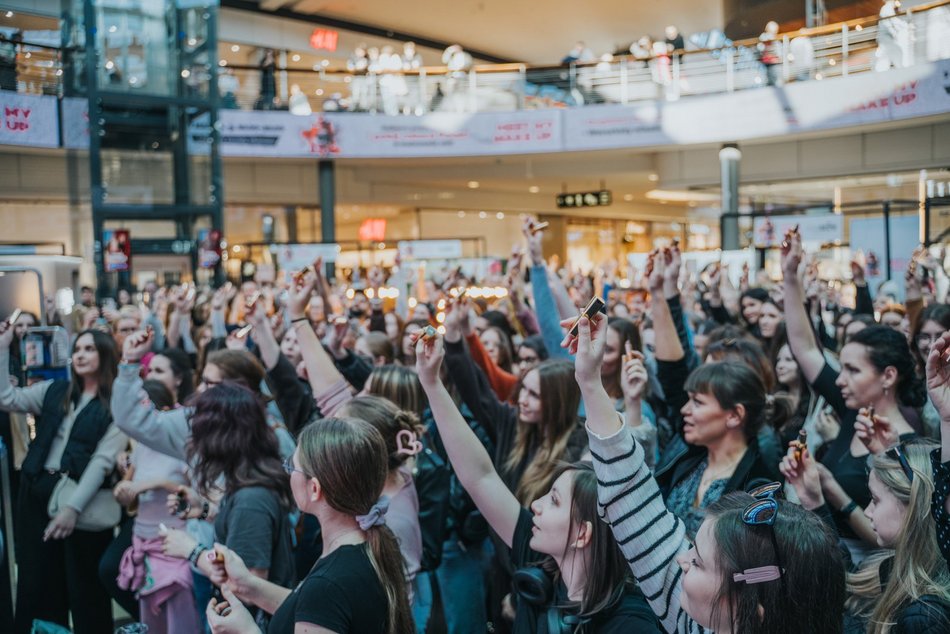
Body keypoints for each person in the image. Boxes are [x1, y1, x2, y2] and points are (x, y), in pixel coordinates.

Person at [573, 311, 847, 633]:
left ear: (748, 613)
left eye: (699, 560)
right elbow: (636, 503)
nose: (681, 560)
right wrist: (590, 383)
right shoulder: (706, 617)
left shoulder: (759, 483)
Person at [415, 331, 661, 632]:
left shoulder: (631, 624)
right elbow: (480, 476)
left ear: (582, 533)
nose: (535, 505)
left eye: (554, 499)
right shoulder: (541, 562)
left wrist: (595, 384)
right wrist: (431, 382)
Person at [782, 230, 927, 562]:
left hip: (869, 575)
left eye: (853, 370)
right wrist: (791, 277)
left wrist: (830, 489)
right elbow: (805, 348)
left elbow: (895, 541)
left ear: (888, 375)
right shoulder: (855, 413)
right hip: (829, 558)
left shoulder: (908, 444)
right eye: (841, 369)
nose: (841, 379)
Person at [203, 417, 413, 634]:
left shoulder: (328, 583)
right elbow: (315, 609)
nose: (289, 472)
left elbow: (321, 600)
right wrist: (247, 584)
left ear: (314, 489)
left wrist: (246, 631)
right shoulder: (374, 540)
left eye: (293, 466)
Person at [0, 325, 125, 634]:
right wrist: (3, 348)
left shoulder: (117, 405)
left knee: (86, 589)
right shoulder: (56, 390)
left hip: (83, 500)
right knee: (37, 581)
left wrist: (73, 509)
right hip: (37, 490)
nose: (80, 355)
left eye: (89, 349)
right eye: (77, 349)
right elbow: (6, 397)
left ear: (105, 354)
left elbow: (102, 463)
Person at [783, 437, 950, 632]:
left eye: (875, 500)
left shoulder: (925, 618)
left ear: (913, 506)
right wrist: (814, 502)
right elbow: (844, 580)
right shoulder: (891, 568)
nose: (868, 511)